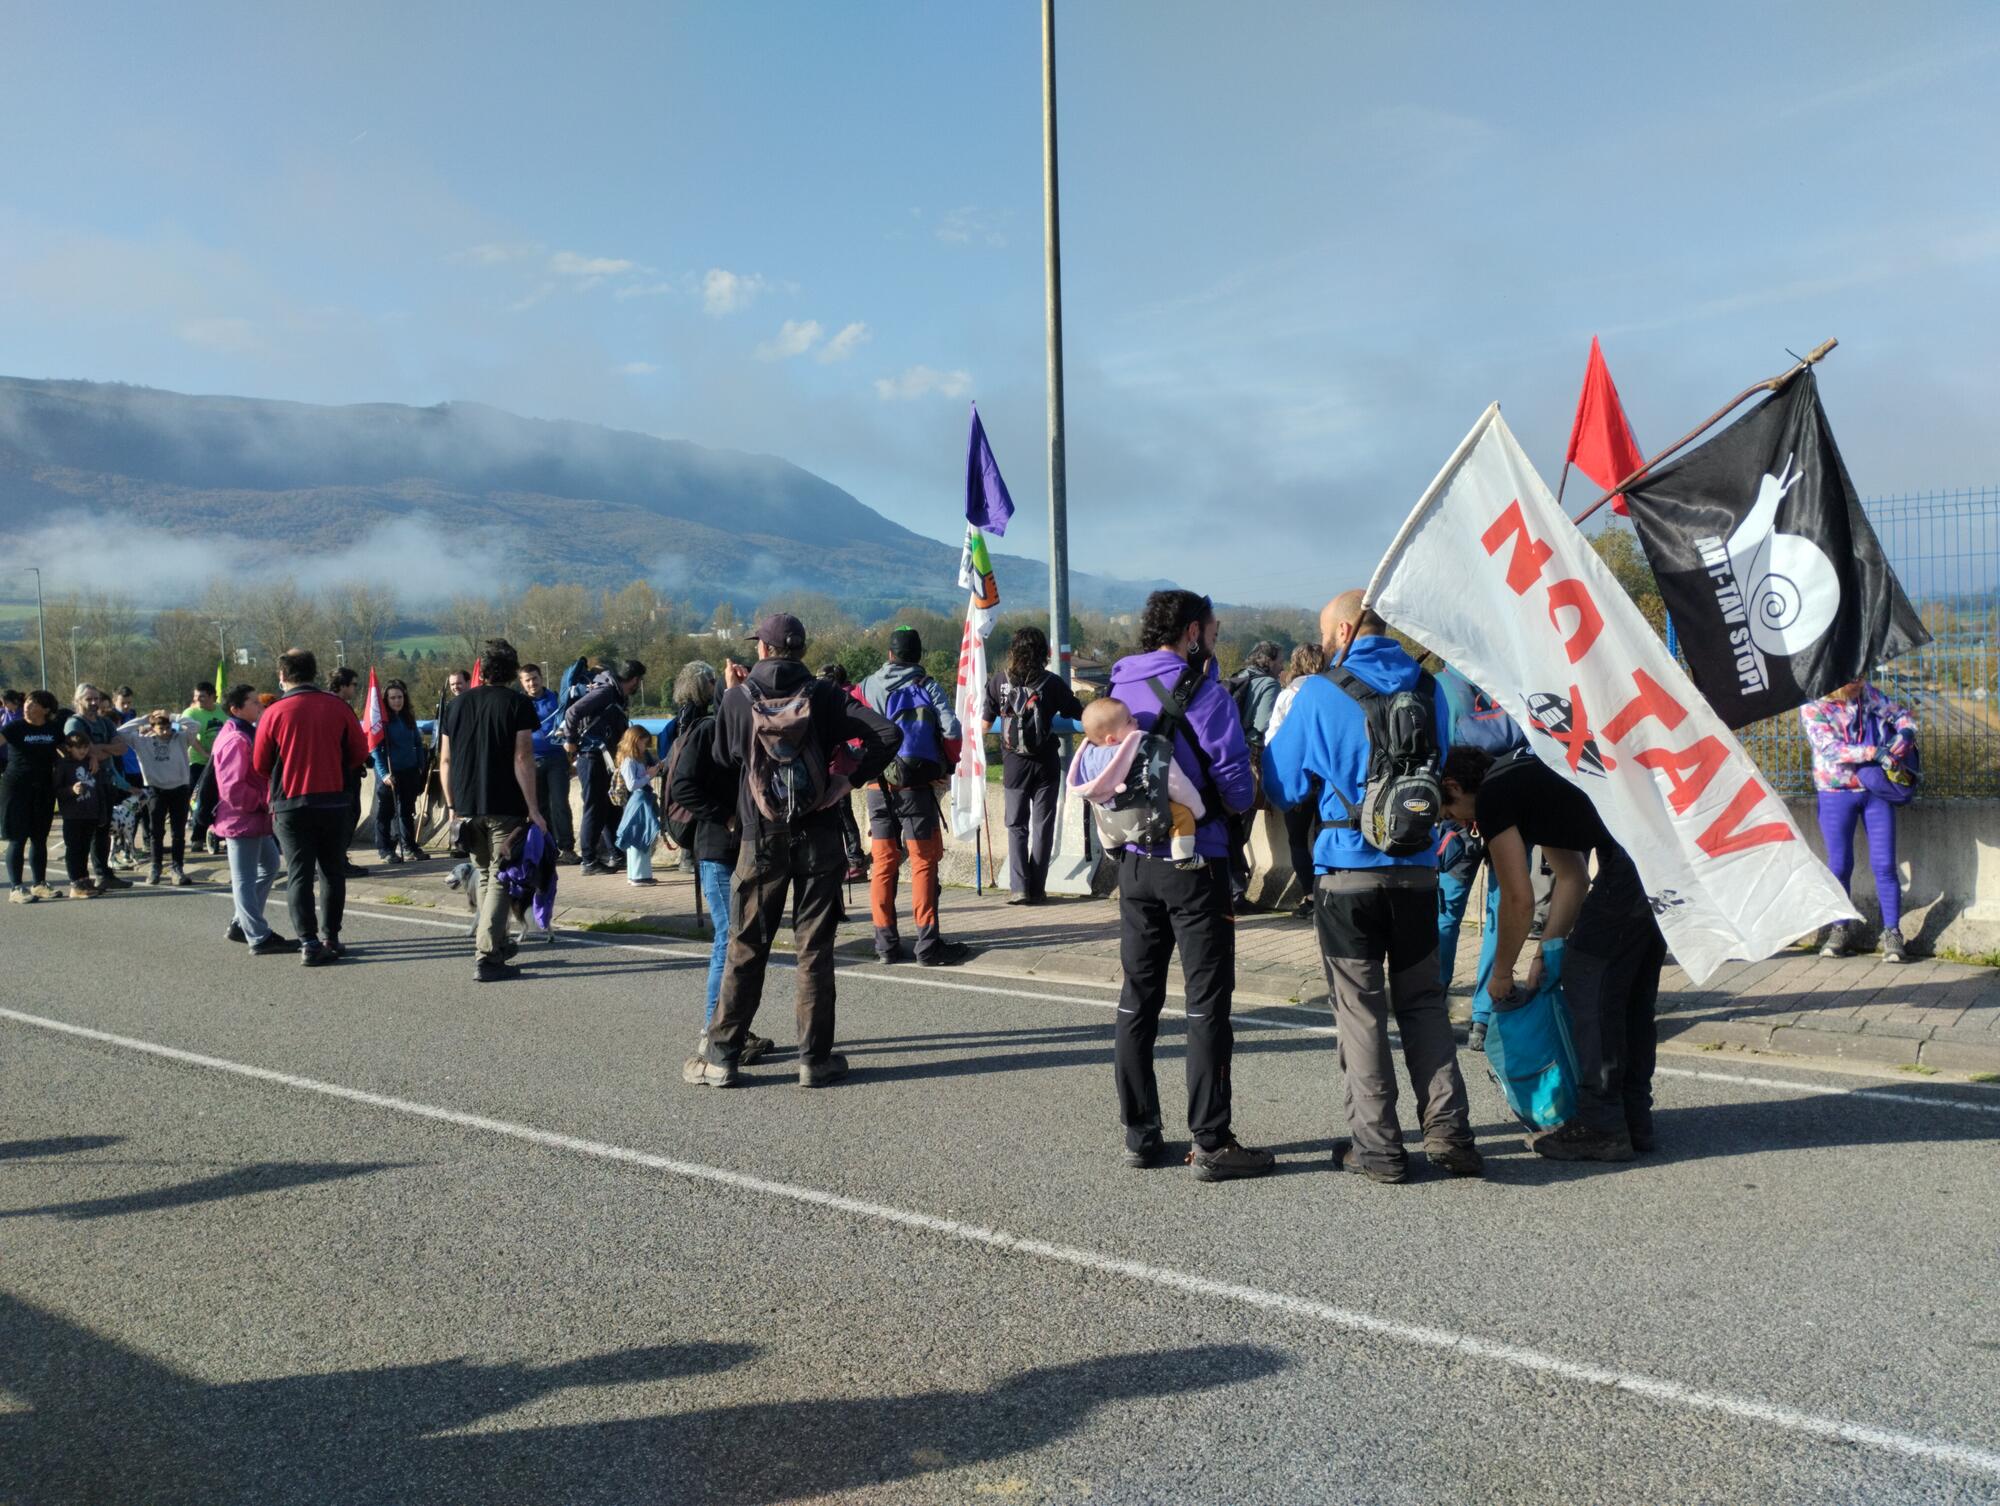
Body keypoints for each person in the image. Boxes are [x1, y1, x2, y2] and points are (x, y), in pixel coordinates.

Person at [1260, 591, 1481, 1184]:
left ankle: (1379, 1147)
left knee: (1359, 1011)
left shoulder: (1318, 693)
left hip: (1346, 876)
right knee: (1424, 1003)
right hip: (1417, 872)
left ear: (1341, 632)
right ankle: (1451, 1132)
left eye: (1328, 633)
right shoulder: (1431, 691)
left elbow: (1282, 788)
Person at [684, 613, 901, 1088]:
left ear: (761, 649)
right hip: (820, 833)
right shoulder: (824, 696)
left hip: (759, 837)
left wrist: (732, 700)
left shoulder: (738, 700)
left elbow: (723, 758)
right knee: (815, 951)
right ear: (802, 650)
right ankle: (813, 1060)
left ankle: (722, 1058)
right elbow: (888, 734)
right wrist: (847, 779)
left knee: (745, 945)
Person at [1100, 590, 1273, 1181]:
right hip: (1197, 861)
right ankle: (1212, 1141)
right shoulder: (1202, 691)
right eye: (1214, 629)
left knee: (1136, 999)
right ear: (1193, 632)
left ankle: (1140, 1133)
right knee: (1206, 1005)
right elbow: (1236, 782)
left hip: (1134, 861)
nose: (1218, 637)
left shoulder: (1119, 687)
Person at [1440, 744, 1666, 1160]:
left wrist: (1501, 973)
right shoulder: (1522, 773)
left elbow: (1518, 899)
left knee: (1589, 983)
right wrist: (1545, 952)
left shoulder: (1494, 796)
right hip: (1654, 843)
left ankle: (1602, 1126)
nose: (1457, 823)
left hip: (1635, 854)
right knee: (1628, 991)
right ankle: (1634, 1120)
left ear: (1453, 786)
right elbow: (1574, 877)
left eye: (1448, 812)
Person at [666, 660, 772, 1061]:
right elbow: (682, 787)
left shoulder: (723, 729)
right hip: (716, 849)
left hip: (733, 848)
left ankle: (732, 1028)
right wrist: (726, 817)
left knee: (734, 940)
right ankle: (714, 1030)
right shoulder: (708, 731)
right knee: (728, 941)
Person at [438, 638, 547, 981]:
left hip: (467, 806)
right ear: (514, 672)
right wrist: (534, 807)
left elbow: (445, 759)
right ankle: (487, 956)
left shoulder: (455, 706)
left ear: (480, 670)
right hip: (505, 805)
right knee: (501, 878)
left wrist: (453, 806)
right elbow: (523, 757)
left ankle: (494, 945)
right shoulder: (517, 704)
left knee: (484, 874)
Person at [253, 648, 370, 967]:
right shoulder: (337, 707)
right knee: (332, 871)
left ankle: (307, 942)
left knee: (299, 873)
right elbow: (359, 752)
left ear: (282, 676)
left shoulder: (274, 712)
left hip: (290, 804)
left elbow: (260, 764)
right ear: (314, 672)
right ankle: (331, 937)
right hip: (333, 800)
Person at [859, 626, 968, 966]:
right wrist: (946, 765)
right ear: (918, 656)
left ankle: (886, 946)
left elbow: (852, 735)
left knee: (883, 863)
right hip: (916, 787)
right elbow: (952, 730)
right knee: (922, 863)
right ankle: (927, 946)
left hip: (878, 786)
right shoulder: (927, 685)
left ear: (889, 654)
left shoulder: (866, 686)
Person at [1802, 679, 1918, 962]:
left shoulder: (1868, 695)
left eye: (1861, 675)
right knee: (1840, 865)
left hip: (1876, 790)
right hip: (1835, 792)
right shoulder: (1813, 706)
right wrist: (1873, 752)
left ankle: (1892, 933)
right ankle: (1840, 928)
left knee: (1885, 864)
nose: (1859, 681)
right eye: (1852, 677)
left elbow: (1903, 717)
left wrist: (1904, 733)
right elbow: (1830, 748)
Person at [983, 624, 1085, 906]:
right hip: (1046, 764)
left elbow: (983, 723)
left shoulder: (998, 681)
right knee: (1043, 826)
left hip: (1014, 764)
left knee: (1016, 826)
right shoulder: (1050, 682)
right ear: (1045, 653)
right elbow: (1075, 711)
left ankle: (1019, 888)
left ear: (1013, 651)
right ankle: (1038, 888)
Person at [211, 683, 296, 954]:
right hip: (242, 819)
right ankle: (258, 936)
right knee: (244, 879)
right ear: (236, 709)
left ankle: (242, 923)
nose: (259, 706)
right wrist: (265, 802)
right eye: (253, 702)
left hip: (253, 818)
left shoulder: (245, 732)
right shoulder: (236, 739)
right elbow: (233, 788)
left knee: (269, 864)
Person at [1070, 697, 1205, 864]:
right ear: (1112, 739)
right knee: (1182, 814)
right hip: (1147, 818)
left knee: (1100, 809)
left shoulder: (1087, 759)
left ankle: (1111, 848)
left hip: (1110, 826)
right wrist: (1198, 811)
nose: (1136, 720)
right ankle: (1183, 857)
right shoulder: (1144, 747)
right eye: (1129, 721)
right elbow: (1177, 785)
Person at [563, 658, 645, 875]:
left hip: (603, 758)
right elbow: (573, 713)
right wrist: (570, 740)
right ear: (634, 679)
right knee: (594, 807)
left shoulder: (614, 693)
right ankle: (589, 861)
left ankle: (616, 854)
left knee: (610, 805)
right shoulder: (606, 692)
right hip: (591, 757)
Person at [1222, 641, 1283, 908]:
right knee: (1240, 828)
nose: (1283, 666)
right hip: (1250, 760)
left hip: (1227, 759)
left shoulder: (1239, 677)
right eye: (1281, 660)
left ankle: (1227, 890)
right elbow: (1263, 726)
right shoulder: (1268, 685)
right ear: (1268, 661)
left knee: (1229, 826)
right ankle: (1236, 893)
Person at [116, 705, 203, 887]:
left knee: (178, 832)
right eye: (160, 728)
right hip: (156, 789)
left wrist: (171, 715)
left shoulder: (180, 738)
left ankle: (177, 867)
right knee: (156, 831)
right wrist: (144, 718)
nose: (164, 732)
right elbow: (121, 732)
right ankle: (155, 867)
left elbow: (195, 725)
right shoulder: (143, 741)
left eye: (167, 727)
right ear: (152, 728)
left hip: (179, 788)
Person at [1271, 643, 1327, 920]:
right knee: (1325, 835)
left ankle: (1309, 895)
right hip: (1328, 777)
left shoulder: (1287, 696)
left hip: (1297, 776)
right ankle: (1328, 894)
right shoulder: (1336, 692)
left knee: (1297, 839)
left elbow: (1274, 739)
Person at [63, 684, 132, 890]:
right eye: (88, 699)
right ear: (77, 701)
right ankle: (81, 880)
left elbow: (121, 748)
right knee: (84, 834)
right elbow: (83, 751)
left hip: (106, 781)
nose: (94, 703)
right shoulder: (74, 723)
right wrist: (100, 750)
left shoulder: (105, 723)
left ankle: (104, 874)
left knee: (102, 830)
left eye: (96, 699)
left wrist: (100, 749)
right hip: (85, 785)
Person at [3, 690, 64, 902]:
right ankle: (16, 888)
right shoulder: (15, 727)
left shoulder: (53, 729)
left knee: (39, 838)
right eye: (27, 702)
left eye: (34, 703)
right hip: (17, 789)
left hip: (44, 789)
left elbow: (67, 752)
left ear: (46, 709)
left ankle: (39, 884)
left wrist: (90, 758)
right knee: (17, 839)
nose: (28, 706)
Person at [519, 663, 577, 863]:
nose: (532, 683)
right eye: (527, 680)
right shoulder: (519, 703)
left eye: (534, 678)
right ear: (522, 683)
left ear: (541, 678)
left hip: (556, 759)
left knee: (560, 803)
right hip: (531, 761)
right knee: (539, 807)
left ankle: (567, 848)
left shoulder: (556, 699)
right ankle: (546, 847)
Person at [818, 663, 870, 881]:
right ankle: (852, 860)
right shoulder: (856, 693)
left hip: (838, 766)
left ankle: (855, 861)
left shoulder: (836, 699)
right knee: (843, 813)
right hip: (850, 765)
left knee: (842, 813)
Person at [370, 678, 426, 864]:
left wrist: (420, 765)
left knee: (406, 811)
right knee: (386, 812)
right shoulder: (383, 722)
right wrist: (384, 773)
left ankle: (409, 845)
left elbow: (417, 743)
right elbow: (375, 750)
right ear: (386, 700)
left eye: (400, 697)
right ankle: (385, 849)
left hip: (409, 771)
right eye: (393, 698)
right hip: (389, 774)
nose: (397, 701)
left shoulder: (407, 717)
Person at [54, 727, 109, 899]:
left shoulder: (90, 763)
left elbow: (98, 788)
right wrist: (72, 790)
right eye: (79, 747)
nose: (83, 751)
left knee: (85, 848)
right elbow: (56, 790)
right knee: (74, 849)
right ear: (69, 748)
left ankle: (84, 879)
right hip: (73, 814)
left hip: (90, 813)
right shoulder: (63, 765)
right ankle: (75, 883)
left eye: (86, 747)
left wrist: (101, 812)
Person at [327, 667, 371, 878]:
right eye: (353, 684)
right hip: (345, 773)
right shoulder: (339, 708)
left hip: (340, 771)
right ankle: (339, 861)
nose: (355, 688)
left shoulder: (327, 705)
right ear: (342, 685)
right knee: (347, 817)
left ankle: (338, 858)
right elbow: (352, 741)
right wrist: (362, 758)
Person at [613, 725, 665, 885]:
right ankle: (639, 876)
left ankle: (639, 874)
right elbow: (632, 785)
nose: (645, 746)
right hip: (638, 801)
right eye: (643, 743)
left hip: (640, 800)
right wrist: (649, 775)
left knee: (640, 835)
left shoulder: (635, 759)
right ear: (635, 742)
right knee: (638, 836)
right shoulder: (629, 761)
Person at [183, 681, 227, 856]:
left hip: (220, 762)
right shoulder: (191, 712)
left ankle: (218, 831)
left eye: (201, 696)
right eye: (195, 696)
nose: (197, 700)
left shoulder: (221, 711)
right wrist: (204, 752)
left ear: (211, 696)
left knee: (218, 798)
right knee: (199, 799)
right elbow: (186, 733)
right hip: (199, 762)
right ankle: (197, 837)